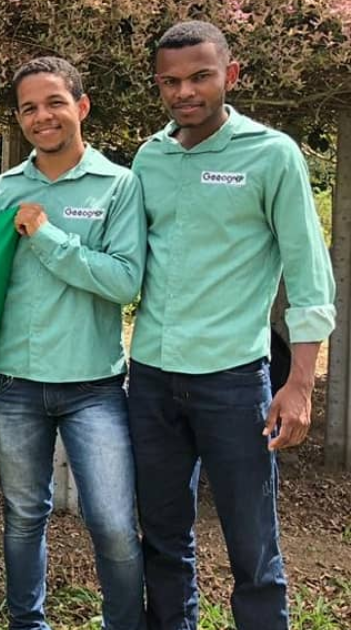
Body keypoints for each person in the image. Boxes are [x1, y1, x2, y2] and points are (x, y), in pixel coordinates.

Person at [129, 20, 336, 630]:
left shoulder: (272, 155)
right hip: (151, 381)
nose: (184, 92)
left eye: (200, 77)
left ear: (231, 75)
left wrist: (299, 385)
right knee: (163, 541)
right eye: (170, 82)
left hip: (233, 382)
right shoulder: (150, 157)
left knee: (253, 547)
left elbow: (309, 278)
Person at [0, 57, 146, 630]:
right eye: (28, 108)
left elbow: (125, 280)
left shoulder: (119, 185)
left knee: (113, 521)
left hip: (93, 386)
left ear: (81, 106)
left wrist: (47, 237)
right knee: (24, 515)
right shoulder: (3, 190)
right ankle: (28, 624)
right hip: (13, 383)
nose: (41, 116)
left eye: (54, 102)